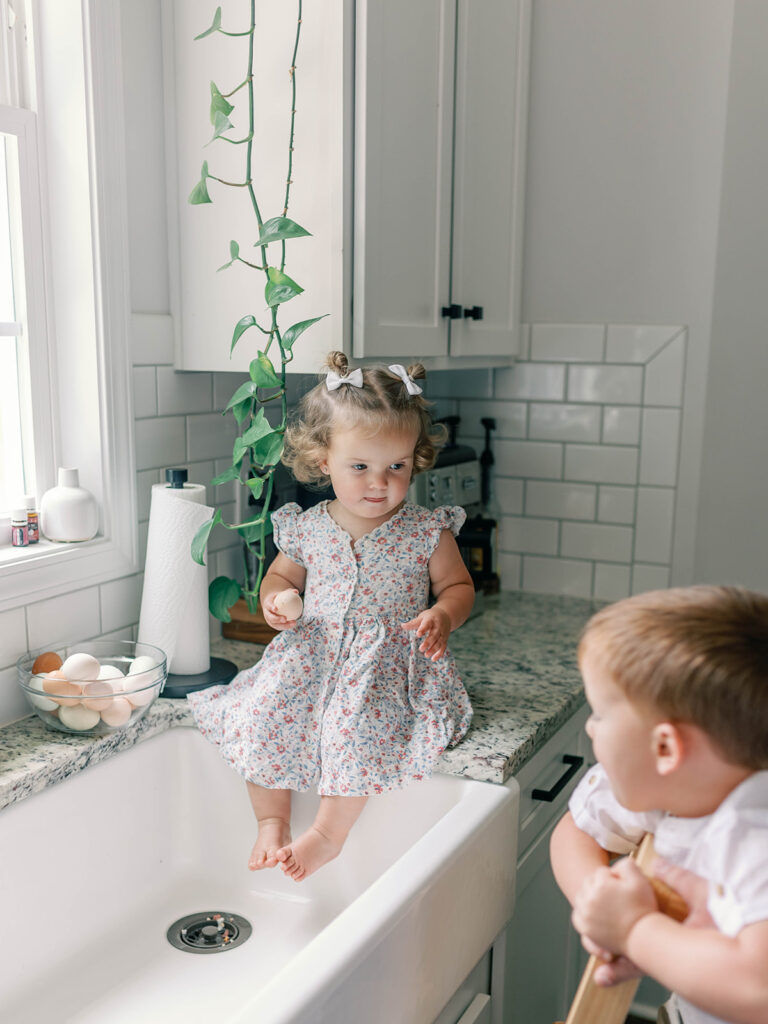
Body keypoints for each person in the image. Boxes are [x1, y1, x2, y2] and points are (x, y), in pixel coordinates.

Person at [188, 351, 475, 882]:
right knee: (263, 714)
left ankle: (327, 833)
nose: (379, 482)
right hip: (313, 652)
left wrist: (442, 614)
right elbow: (281, 580)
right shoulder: (308, 528)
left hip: (386, 664)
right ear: (324, 461)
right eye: (360, 467)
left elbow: (458, 587)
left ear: (416, 458)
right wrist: (277, 602)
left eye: (397, 466)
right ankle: (271, 820)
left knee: (357, 731)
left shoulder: (426, 530)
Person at [549, 585, 768, 1024]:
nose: (591, 729)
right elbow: (574, 831)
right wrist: (600, 905)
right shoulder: (669, 789)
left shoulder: (754, 835)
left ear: (665, 748)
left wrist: (633, 930)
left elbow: (756, 989)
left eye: (600, 714)